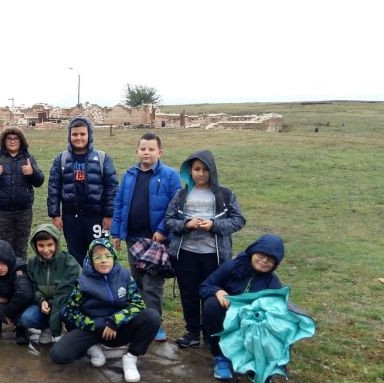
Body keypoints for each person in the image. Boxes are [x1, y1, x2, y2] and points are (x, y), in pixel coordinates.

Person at [164, 150, 245, 348]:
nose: (200, 174)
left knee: (211, 295)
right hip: (186, 254)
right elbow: (169, 221)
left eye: (205, 169)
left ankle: (211, 336)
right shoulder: (181, 195)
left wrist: (213, 226)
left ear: (212, 171)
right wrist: (186, 225)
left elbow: (238, 220)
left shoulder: (225, 195)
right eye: (196, 169)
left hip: (214, 256)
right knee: (189, 295)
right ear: (189, 171)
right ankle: (192, 333)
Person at [50, 238, 160, 383]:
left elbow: (138, 304)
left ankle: (130, 358)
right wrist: (94, 325)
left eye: (107, 256)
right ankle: (92, 346)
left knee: (152, 316)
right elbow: (70, 311)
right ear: (91, 260)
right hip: (94, 329)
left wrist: (115, 321)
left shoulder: (125, 276)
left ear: (113, 256)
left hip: (119, 329)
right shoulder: (83, 282)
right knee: (58, 355)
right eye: (98, 257)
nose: (103, 261)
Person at [110, 132, 181, 341]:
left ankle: (155, 324)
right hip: (133, 238)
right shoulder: (129, 175)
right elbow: (119, 204)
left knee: (153, 284)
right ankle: (140, 318)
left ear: (160, 152)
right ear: (137, 151)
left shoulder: (170, 175)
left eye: (151, 149)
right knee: (138, 281)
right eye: (143, 149)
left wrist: (162, 230)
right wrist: (116, 232)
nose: (146, 153)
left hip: (156, 241)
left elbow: (176, 206)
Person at [200, 234, 285, 380]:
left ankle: (260, 362)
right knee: (211, 305)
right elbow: (205, 286)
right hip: (226, 317)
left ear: (276, 263)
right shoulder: (232, 266)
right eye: (261, 255)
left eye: (271, 259)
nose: (264, 261)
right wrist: (217, 291)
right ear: (252, 252)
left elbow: (278, 312)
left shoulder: (273, 283)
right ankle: (220, 357)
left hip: (251, 323)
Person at [47, 116, 118, 265]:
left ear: (89, 135)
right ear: (69, 136)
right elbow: (54, 187)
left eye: (82, 134)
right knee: (75, 257)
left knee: (100, 255)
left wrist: (109, 215)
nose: (78, 138)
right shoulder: (61, 159)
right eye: (74, 134)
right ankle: (79, 280)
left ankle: (100, 280)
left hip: (97, 218)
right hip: (71, 218)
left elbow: (111, 188)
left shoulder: (102, 158)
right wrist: (55, 215)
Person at [0, 126, 44, 259]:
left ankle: (21, 270)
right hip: (3, 211)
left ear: (21, 141)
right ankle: (7, 271)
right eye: (9, 138)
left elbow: (39, 181)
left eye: (16, 138)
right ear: (3, 141)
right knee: (5, 246)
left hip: (24, 211)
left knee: (21, 247)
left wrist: (33, 172)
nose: (12, 141)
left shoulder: (28, 159)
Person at [23, 224, 81, 344]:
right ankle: (47, 328)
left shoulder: (69, 262)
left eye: (50, 245)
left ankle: (70, 331)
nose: (45, 250)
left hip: (63, 303)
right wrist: (41, 301)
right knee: (27, 318)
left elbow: (66, 293)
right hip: (44, 304)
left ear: (57, 244)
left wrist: (51, 303)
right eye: (41, 245)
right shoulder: (32, 263)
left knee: (67, 312)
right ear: (35, 245)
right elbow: (32, 287)